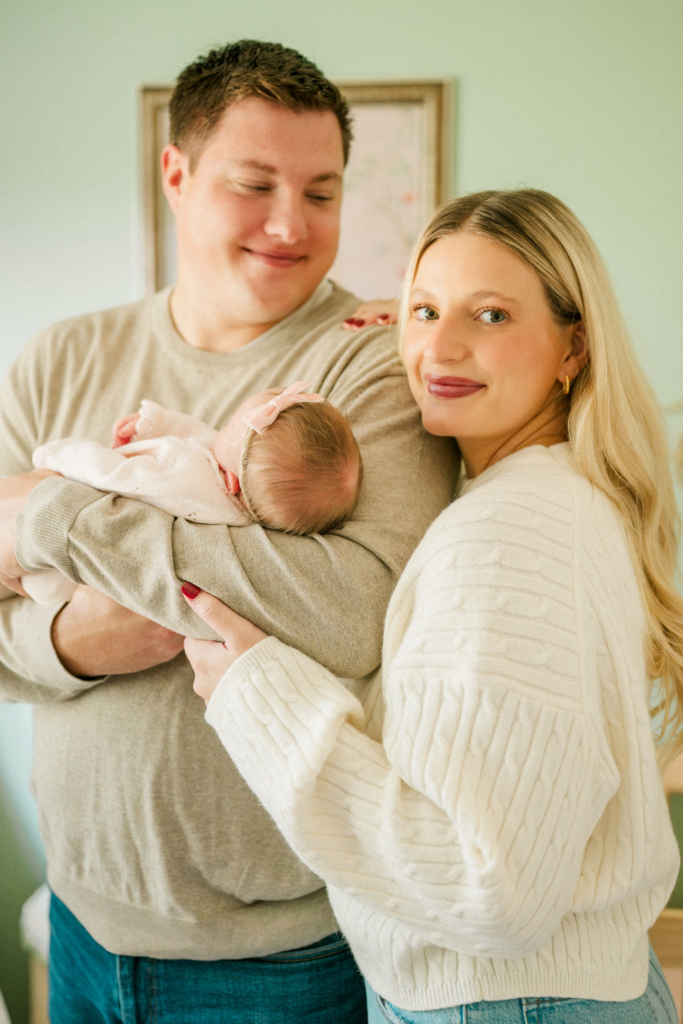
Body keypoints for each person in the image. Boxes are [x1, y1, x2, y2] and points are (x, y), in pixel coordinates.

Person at [0, 39, 458, 1024]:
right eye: (254, 185)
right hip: (82, 924)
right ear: (177, 174)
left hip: (281, 958)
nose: (291, 224)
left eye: (322, 192)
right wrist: (73, 643)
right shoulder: (57, 360)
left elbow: (350, 611)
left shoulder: (370, 365)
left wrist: (50, 517)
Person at [180, 189, 683, 1022]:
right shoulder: (558, 498)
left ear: (573, 346)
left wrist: (259, 697)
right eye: (424, 310)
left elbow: (490, 888)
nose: (438, 348)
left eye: (490, 315)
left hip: (502, 1006)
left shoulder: (510, 533)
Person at [11, 384, 362, 604]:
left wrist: (60, 456)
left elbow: (119, 476)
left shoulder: (190, 483)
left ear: (229, 482)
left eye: (229, 426)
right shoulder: (229, 482)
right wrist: (155, 424)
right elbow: (198, 435)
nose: (220, 427)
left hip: (61, 568)